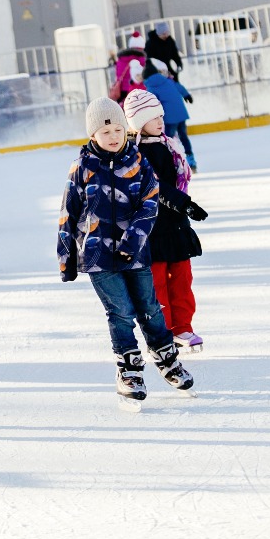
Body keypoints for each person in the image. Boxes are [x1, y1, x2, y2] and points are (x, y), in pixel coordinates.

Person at [57, 97, 195, 409]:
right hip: (97, 256)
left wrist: (133, 242)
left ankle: (168, 361)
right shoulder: (81, 168)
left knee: (150, 307)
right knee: (120, 312)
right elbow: (68, 211)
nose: (114, 136)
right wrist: (65, 257)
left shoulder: (137, 162)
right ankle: (129, 372)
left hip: (136, 252)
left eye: (118, 129)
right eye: (106, 132)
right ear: (93, 135)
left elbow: (149, 203)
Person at [123, 90, 208, 352]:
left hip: (175, 224)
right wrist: (185, 204)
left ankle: (183, 326)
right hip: (153, 228)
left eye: (160, 115)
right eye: (152, 117)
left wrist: (183, 207)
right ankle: (164, 331)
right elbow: (154, 186)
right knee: (157, 283)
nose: (160, 121)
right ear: (138, 123)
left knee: (182, 279)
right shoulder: (137, 153)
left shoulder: (166, 144)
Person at [143, 58, 196, 170]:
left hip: (170, 118)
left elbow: (153, 103)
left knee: (166, 140)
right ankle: (191, 159)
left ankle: (169, 162)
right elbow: (179, 87)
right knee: (183, 136)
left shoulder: (151, 87)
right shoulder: (168, 80)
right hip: (181, 114)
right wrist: (187, 95)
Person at [112, 33, 148, 103]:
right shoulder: (141, 58)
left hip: (122, 90)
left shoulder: (121, 58)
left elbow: (118, 74)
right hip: (136, 89)